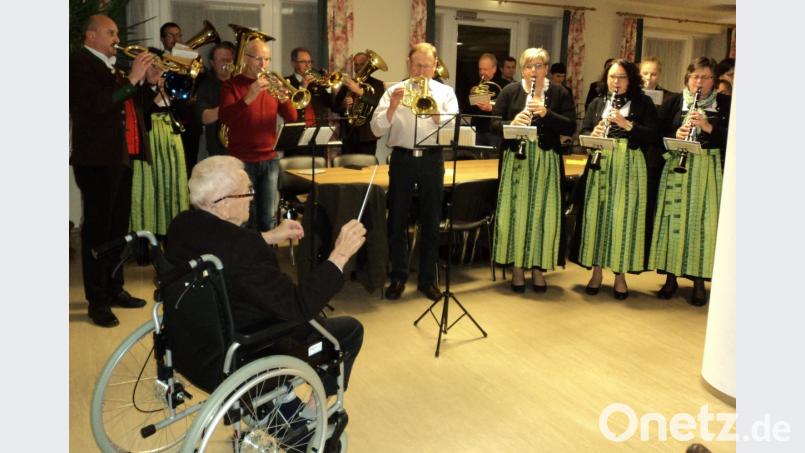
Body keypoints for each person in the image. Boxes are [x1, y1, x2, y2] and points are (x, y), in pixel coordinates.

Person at [166, 155, 366, 397]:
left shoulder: (181, 226)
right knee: (350, 331)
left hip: (190, 346)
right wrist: (340, 255)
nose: (252, 198)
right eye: (246, 191)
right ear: (223, 203)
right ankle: (312, 414)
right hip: (245, 350)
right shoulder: (244, 248)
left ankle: (280, 402)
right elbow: (297, 306)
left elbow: (224, 250)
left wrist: (268, 236)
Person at [70, 14, 160, 327]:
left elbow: (135, 108)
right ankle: (97, 301)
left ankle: (114, 288)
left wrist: (147, 83)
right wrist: (133, 79)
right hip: (95, 160)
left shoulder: (114, 68)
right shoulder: (78, 63)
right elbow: (97, 105)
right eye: (111, 33)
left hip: (120, 157)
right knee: (97, 232)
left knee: (118, 230)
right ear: (91, 35)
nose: (117, 39)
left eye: (117, 33)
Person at [370, 42, 459, 301]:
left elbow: (453, 130)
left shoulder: (445, 93)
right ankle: (397, 277)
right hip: (402, 159)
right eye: (417, 65)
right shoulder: (394, 91)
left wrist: (434, 113)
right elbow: (376, 130)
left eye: (427, 66)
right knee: (396, 220)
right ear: (409, 64)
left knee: (431, 221)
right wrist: (393, 107)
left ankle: (427, 280)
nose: (421, 70)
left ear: (435, 67)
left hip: (432, 160)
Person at [571, 59, 659, 300]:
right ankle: (596, 273)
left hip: (629, 165)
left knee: (623, 220)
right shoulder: (598, 102)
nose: (616, 82)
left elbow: (653, 136)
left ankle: (620, 276)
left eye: (621, 77)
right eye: (612, 77)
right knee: (597, 217)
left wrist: (626, 124)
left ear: (630, 80)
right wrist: (593, 134)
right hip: (601, 163)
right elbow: (583, 134)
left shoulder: (644, 103)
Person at [491, 48, 576, 292]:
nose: (534, 71)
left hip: (546, 160)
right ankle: (517, 267)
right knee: (516, 213)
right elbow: (494, 122)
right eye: (529, 66)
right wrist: (511, 123)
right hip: (516, 161)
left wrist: (547, 114)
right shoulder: (510, 91)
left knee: (542, 214)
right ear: (522, 69)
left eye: (539, 66)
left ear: (546, 69)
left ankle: (538, 268)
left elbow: (570, 126)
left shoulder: (559, 93)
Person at [649, 57, 731, 306]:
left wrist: (708, 127)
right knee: (673, 220)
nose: (700, 82)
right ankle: (671, 277)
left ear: (714, 81)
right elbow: (656, 134)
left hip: (708, 168)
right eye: (696, 77)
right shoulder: (674, 101)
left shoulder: (725, 103)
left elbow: (734, 139)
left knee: (702, 225)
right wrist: (676, 134)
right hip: (677, 165)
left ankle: (698, 282)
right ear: (687, 79)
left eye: (706, 77)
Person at [219, 38, 298, 232]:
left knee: (267, 219)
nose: (264, 64)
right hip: (241, 160)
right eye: (258, 59)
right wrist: (248, 97)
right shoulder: (231, 85)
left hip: (269, 160)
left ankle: (265, 259)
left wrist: (285, 97)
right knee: (244, 217)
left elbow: (292, 116)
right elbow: (225, 117)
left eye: (267, 59)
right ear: (246, 58)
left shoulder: (272, 84)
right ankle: (245, 260)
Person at [159, 22, 203, 175]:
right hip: (168, 118)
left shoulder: (193, 58)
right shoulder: (158, 59)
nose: (176, 39)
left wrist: (197, 70)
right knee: (170, 167)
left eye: (178, 35)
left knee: (189, 165)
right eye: (171, 35)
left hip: (190, 120)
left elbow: (201, 84)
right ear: (163, 39)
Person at [332, 51, 385, 155]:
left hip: (367, 135)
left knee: (367, 167)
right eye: (356, 64)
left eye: (362, 64)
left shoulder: (378, 84)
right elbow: (335, 107)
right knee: (346, 168)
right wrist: (344, 105)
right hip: (348, 134)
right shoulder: (348, 83)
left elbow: (378, 104)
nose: (359, 67)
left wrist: (359, 92)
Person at [195, 41, 236, 157]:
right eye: (222, 60)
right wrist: (230, 107)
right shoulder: (206, 86)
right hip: (218, 149)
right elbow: (204, 118)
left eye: (229, 60)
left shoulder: (240, 83)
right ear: (212, 63)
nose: (227, 63)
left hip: (243, 146)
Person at [463, 53, 508, 150]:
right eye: (480, 69)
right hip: (476, 131)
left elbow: (507, 110)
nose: (482, 72)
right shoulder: (475, 85)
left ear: (494, 69)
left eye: (485, 69)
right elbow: (466, 110)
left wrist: (491, 108)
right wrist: (470, 98)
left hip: (495, 133)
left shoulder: (504, 86)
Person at [286, 47, 332, 127]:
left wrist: (328, 86)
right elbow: (288, 110)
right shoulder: (286, 82)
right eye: (303, 62)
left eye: (309, 62)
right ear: (293, 63)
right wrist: (302, 88)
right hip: (298, 129)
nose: (307, 65)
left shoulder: (316, 82)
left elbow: (332, 104)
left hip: (320, 129)